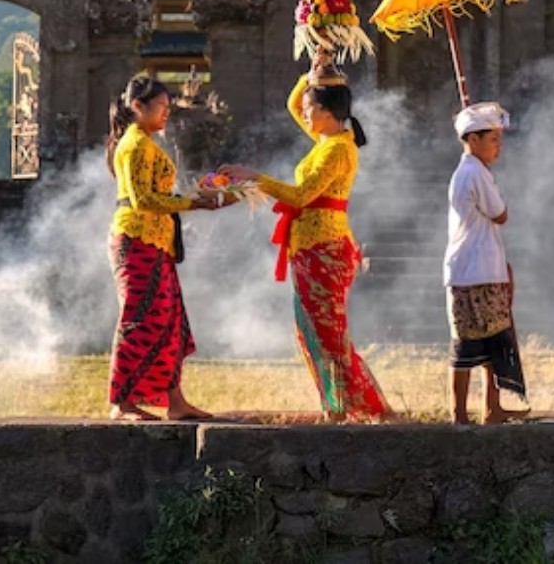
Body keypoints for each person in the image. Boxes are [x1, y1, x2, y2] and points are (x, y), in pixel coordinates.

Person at [220, 51, 390, 422]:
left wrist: (254, 176)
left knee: (329, 333)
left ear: (328, 112)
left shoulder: (337, 150)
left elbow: (300, 196)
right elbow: (294, 103)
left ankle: (352, 407)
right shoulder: (327, 140)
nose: (305, 115)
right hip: (310, 246)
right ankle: (337, 405)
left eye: (312, 109)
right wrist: (312, 73)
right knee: (313, 330)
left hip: (325, 248)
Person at [105, 75, 227, 422]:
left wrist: (197, 194)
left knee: (170, 319)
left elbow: (156, 193)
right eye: (161, 107)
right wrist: (194, 203)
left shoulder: (144, 143)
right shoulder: (134, 145)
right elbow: (143, 199)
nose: (166, 114)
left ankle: (176, 401)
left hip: (156, 242)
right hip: (136, 239)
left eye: (168, 108)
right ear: (137, 106)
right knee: (138, 318)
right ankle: (121, 402)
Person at [445, 102, 528, 425]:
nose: (498, 146)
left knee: (493, 341)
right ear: (473, 139)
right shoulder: (474, 173)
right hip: (472, 270)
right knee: (466, 345)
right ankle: (460, 413)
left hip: (482, 266)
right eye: (492, 139)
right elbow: (501, 214)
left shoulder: (474, 171)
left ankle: (491, 408)